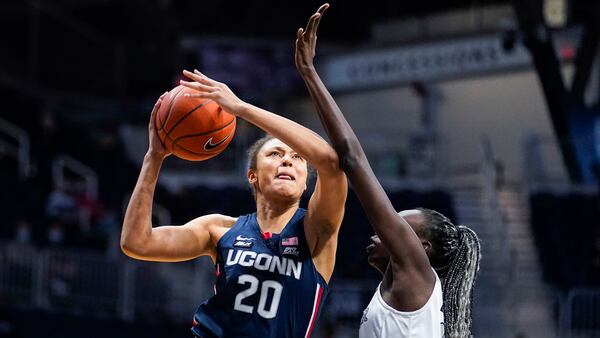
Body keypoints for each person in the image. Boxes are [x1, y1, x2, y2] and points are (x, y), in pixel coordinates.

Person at [294, 4, 481, 338]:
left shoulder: (417, 277)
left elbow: (352, 158)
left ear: (420, 248)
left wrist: (309, 72)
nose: (378, 232)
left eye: (394, 228)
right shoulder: (408, 291)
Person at [120, 70, 347, 337]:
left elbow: (331, 162)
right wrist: (153, 158)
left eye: (297, 158)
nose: (287, 160)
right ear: (252, 176)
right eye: (275, 153)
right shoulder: (219, 230)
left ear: (306, 183)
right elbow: (136, 243)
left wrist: (241, 108)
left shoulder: (316, 232)